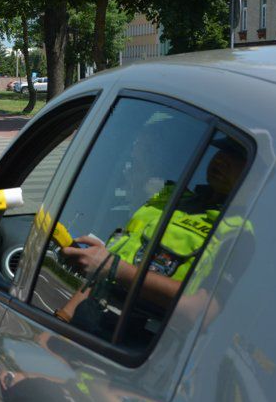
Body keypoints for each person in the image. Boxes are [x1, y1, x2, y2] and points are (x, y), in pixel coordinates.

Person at [54, 139, 249, 325]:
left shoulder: (239, 233)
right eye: (221, 150)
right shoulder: (169, 200)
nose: (221, 159)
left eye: (236, 156)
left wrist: (115, 268)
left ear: (258, 176)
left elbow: (199, 312)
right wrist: (62, 319)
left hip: (135, 345)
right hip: (87, 324)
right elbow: (104, 273)